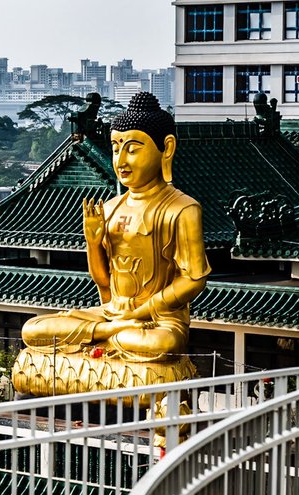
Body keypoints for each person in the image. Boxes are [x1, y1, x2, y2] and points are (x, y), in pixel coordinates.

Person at [19, 92, 210, 365]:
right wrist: (93, 243)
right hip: (111, 315)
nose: (120, 160)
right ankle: (109, 333)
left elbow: (193, 279)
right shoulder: (109, 209)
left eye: (132, 149)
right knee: (34, 329)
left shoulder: (182, 208)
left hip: (158, 321)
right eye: (116, 148)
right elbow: (105, 286)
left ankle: (106, 337)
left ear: (166, 149)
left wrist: (142, 312)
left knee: (162, 344)